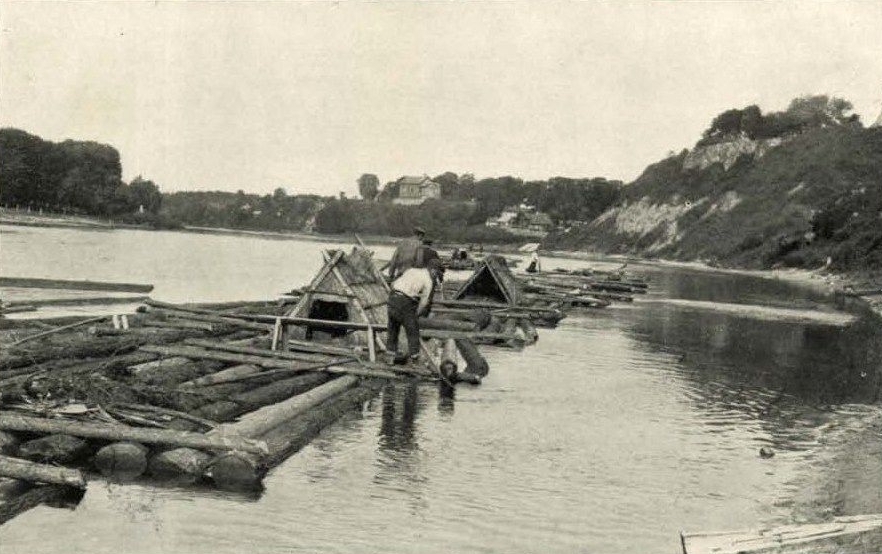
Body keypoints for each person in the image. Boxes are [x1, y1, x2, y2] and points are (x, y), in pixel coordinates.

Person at [386, 258, 443, 365]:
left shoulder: (412, 270)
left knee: (393, 329)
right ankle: (414, 360)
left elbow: (393, 284)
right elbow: (424, 303)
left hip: (393, 298)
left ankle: (389, 358)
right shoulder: (428, 280)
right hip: (405, 301)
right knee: (413, 331)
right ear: (433, 271)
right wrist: (416, 314)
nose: (436, 277)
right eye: (437, 274)